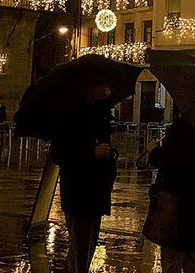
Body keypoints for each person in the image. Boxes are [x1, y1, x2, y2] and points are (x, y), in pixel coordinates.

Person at [51, 80, 117, 273]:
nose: (107, 89)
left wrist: (110, 153)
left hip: (96, 189)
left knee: (87, 245)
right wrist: (91, 152)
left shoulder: (99, 116)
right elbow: (59, 154)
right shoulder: (71, 115)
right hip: (80, 189)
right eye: (101, 85)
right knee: (80, 245)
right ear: (90, 88)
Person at [148, 115, 195, 272]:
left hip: (177, 203)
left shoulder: (183, 128)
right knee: (192, 254)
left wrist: (153, 150)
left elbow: (169, 162)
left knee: (173, 257)